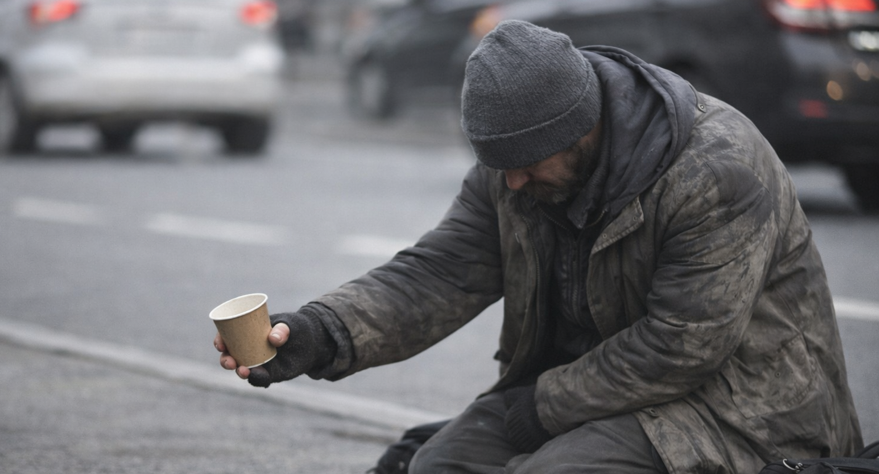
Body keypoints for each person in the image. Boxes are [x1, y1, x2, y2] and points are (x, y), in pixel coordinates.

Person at [214, 20, 862, 473]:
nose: (513, 182)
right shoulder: (512, 172)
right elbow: (438, 274)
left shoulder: (716, 168)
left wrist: (540, 407)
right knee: (441, 461)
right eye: (500, 166)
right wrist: (317, 335)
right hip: (585, 394)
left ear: (586, 127)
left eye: (527, 163)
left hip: (741, 413)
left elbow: (681, 347)